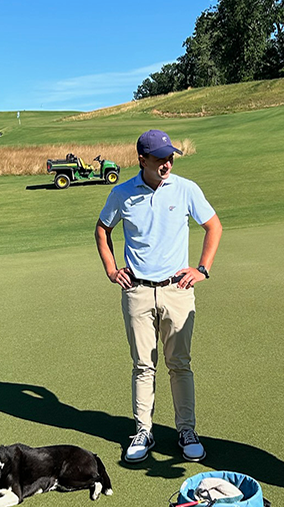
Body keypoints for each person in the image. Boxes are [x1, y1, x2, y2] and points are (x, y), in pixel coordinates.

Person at [95, 129, 222, 463]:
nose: (167, 164)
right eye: (160, 159)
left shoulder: (186, 189)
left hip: (176, 289)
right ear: (142, 160)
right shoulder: (122, 193)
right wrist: (111, 269)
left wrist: (202, 269)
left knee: (179, 364)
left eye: (170, 158)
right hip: (137, 291)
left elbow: (214, 226)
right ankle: (143, 430)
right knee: (143, 365)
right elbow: (102, 228)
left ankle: (186, 430)